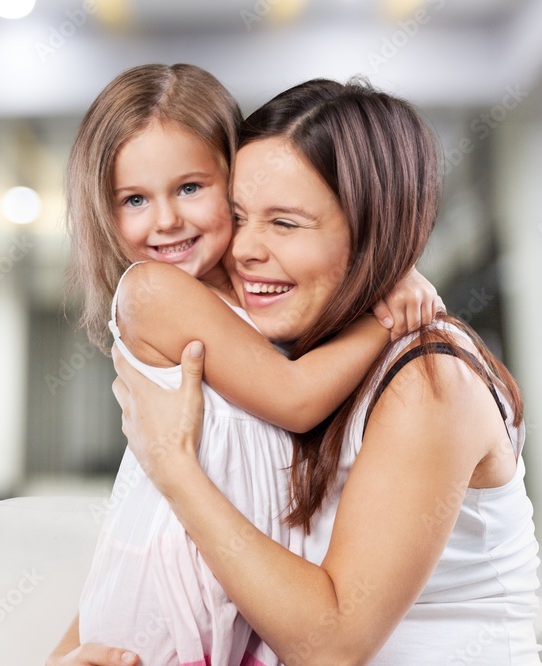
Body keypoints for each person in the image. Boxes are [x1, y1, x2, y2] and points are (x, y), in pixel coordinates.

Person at [111, 78, 542, 665]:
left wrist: (176, 470)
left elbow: (332, 645)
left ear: (372, 233)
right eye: (238, 216)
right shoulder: (292, 367)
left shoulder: (428, 380)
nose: (244, 251)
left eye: (285, 223)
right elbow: (155, 543)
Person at [49, 65, 442, 666]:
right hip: (166, 611)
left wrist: (387, 269)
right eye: (134, 199)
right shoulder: (153, 292)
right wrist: (386, 316)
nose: (166, 220)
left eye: (190, 188)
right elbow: (295, 397)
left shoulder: (252, 283)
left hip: (238, 609)